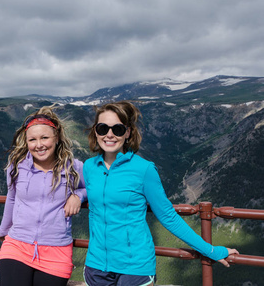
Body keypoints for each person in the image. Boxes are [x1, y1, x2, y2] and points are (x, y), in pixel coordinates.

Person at [83, 101, 239, 286]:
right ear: (95, 131)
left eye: (117, 129)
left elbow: (168, 216)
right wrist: (77, 196)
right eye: (103, 128)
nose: (109, 134)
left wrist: (210, 251)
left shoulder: (144, 169)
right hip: (96, 266)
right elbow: (94, 207)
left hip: (135, 268)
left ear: (128, 133)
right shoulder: (89, 167)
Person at [0, 105, 87, 286]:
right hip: (17, 245)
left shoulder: (73, 167)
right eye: (32, 140)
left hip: (57, 251)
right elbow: (11, 198)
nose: (39, 145)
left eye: (45, 137)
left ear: (56, 137)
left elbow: (94, 187)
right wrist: (3, 230)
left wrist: (78, 195)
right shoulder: (16, 166)